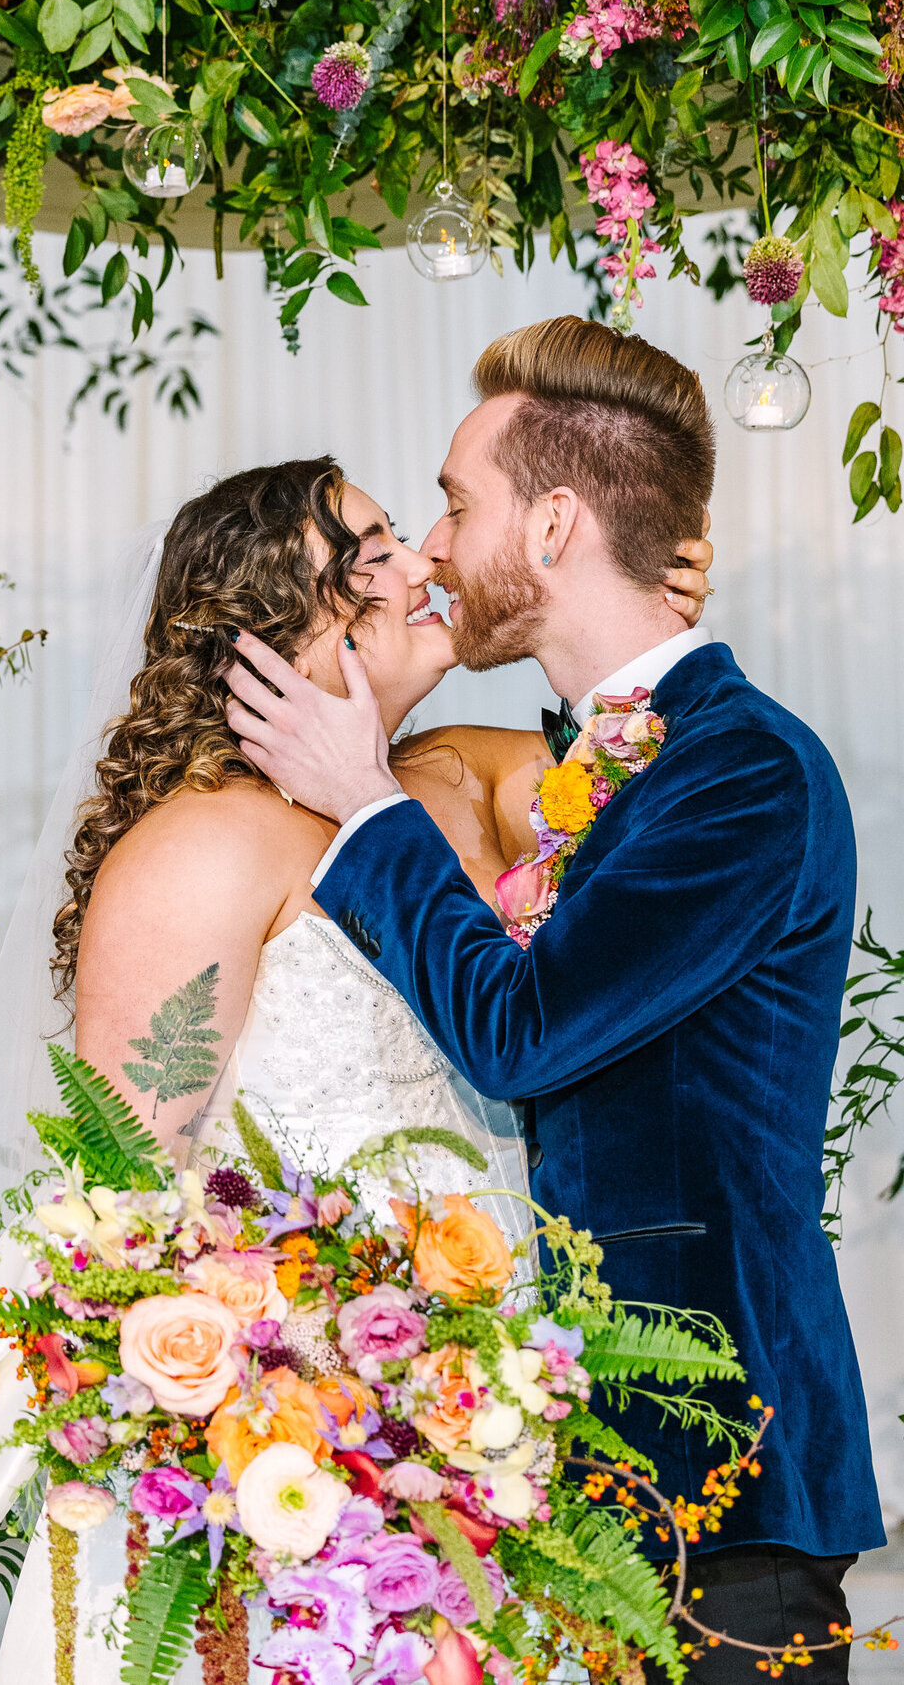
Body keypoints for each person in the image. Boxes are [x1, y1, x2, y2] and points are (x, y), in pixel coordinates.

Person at [0, 454, 710, 1685]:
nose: (423, 562)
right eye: (372, 554)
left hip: (476, 1425)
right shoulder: (207, 842)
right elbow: (117, 1209)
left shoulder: (460, 778)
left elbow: (670, 773)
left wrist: (626, 602)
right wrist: (276, 1433)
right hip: (286, 1462)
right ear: (277, 635)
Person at [223, 318, 883, 1684]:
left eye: (457, 505)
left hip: (721, 1473)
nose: (435, 549)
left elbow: (522, 1034)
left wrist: (364, 803)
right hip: (578, 1483)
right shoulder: (602, 759)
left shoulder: (743, 772)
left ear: (555, 523)